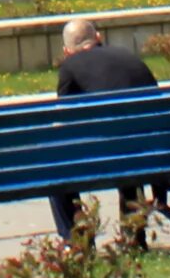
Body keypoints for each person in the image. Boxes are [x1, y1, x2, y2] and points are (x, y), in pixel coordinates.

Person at [47, 16, 160, 240]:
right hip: (154, 154)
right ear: (99, 38)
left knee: (55, 166)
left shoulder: (70, 67)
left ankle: (76, 241)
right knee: (127, 141)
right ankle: (134, 236)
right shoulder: (129, 57)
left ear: (67, 50)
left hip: (109, 157)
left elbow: (66, 121)